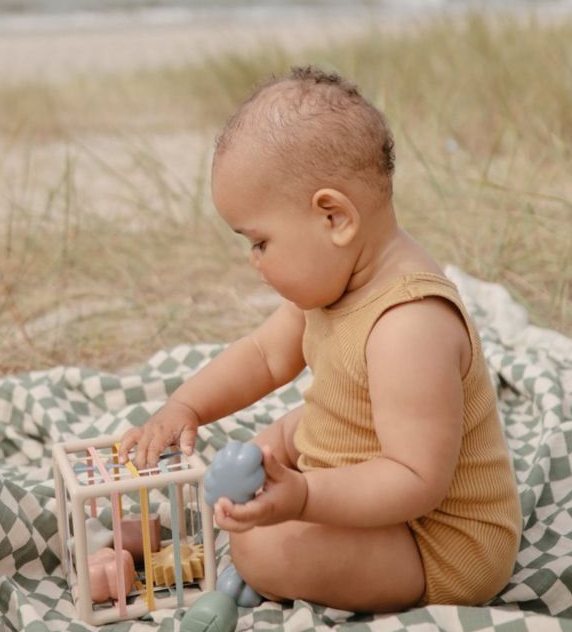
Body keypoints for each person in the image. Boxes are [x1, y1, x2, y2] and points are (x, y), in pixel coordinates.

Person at [119, 66, 521, 612]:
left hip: (437, 541)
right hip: (366, 469)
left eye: (260, 242)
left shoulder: (409, 325)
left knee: (264, 546)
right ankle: (292, 530)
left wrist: (305, 497)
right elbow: (263, 356)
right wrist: (185, 406)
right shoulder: (335, 282)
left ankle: (286, 562)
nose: (252, 261)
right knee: (268, 445)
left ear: (334, 217)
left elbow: (415, 479)